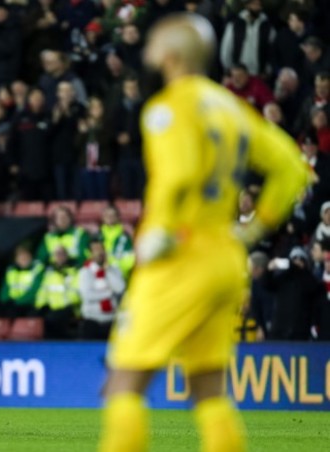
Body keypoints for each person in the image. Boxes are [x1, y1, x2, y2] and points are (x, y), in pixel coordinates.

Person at [99, 14, 309, 452]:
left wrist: (157, 233)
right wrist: (252, 232)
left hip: (180, 253)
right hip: (225, 258)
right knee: (209, 390)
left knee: (123, 383)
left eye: (155, 42)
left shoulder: (168, 108)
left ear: (172, 55)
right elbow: (291, 167)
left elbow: (178, 175)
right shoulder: (230, 106)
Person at [77, 237, 125, 340]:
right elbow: (87, 296)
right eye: (96, 250)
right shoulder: (85, 272)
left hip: (112, 320)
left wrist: (107, 270)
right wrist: (109, 293)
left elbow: (120, 289)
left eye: (101, 249)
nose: (99, 252)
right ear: (90, 253)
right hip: (92, 320)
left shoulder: (114, 270)